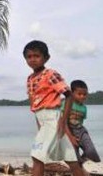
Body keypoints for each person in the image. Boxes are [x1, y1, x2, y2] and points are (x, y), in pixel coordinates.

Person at [23, 40, 84, 176]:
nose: (32, 59)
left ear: (46, 58)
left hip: (53, 120)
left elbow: (69, 96)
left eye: (37, 56)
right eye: (29, 56)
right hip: (44, 121)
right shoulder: (30, 79)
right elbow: (36, 107)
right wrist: (39, 127)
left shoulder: (50, 74)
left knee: (37, 157)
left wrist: (63, 120)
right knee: (71, 160)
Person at [62, 80, 101, 164]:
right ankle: (79, 168)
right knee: (74, 156)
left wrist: (80, 134)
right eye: (79, 94)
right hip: (68, 131)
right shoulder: (66, 103)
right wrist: (71, 137)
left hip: (80, 130)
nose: (82, 96)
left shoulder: (84, 108)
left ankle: (82, 162)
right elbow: (62, 121)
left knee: (91, 151)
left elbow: (81, 122)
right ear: (72, 93)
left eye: (85, 94)